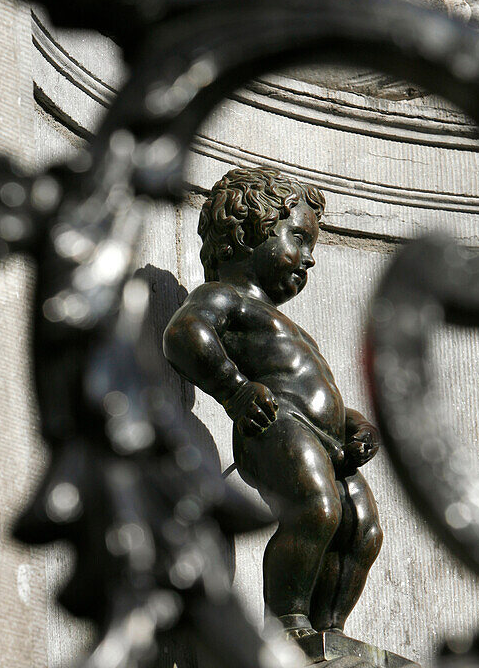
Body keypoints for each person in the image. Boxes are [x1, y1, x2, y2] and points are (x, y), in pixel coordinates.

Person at [163, 166, 382, 635]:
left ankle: (330, 631)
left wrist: (357, 426)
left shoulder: (294, 329)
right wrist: (234, 390)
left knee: (362, 529)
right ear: (247, 233)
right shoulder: (224, 297)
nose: (309, 257)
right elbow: (184, 334)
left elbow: (324, 392)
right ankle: (286, 622)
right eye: (299, 239)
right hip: (274, 422)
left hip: (327, 438)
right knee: (316, 510)